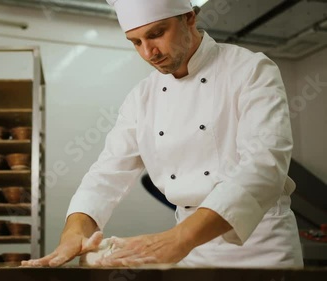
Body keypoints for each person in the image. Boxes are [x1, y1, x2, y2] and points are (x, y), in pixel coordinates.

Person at [22, 0, 303, 268]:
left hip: (262, 244)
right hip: (193, 251)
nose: (148, 53)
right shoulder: (142, 97)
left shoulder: (251, 70)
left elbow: (263, 166)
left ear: (189, 17)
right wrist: (74, 231)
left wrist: (178, 239)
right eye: (135, 42)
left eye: (156, 34)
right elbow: (106, 174)